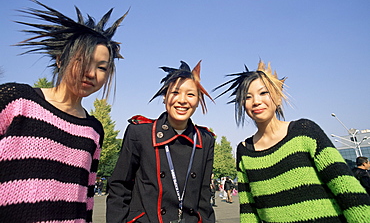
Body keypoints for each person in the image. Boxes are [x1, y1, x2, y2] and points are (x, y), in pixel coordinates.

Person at [0, 0, 128, 223]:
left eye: (101, 67)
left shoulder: (94, 129)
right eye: (83, 61)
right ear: (60, 59)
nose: (91, 73)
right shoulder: (16, 100)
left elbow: (87, 196)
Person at [214, 60, 370, 222]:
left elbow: (348, 191)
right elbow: (248, 210)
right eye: (247, 97)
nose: (256, 101)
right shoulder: (244, 150)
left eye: (264, 93)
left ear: (278, 97)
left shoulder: (305, 131)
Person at [107, 61, 215, 223]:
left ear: (198, 101)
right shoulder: (140, 133)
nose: (182, 100)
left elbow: (204, 195)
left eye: (191, 94)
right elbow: (119, 187)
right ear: (165, 97)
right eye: (175, 93)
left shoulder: (205, 140)